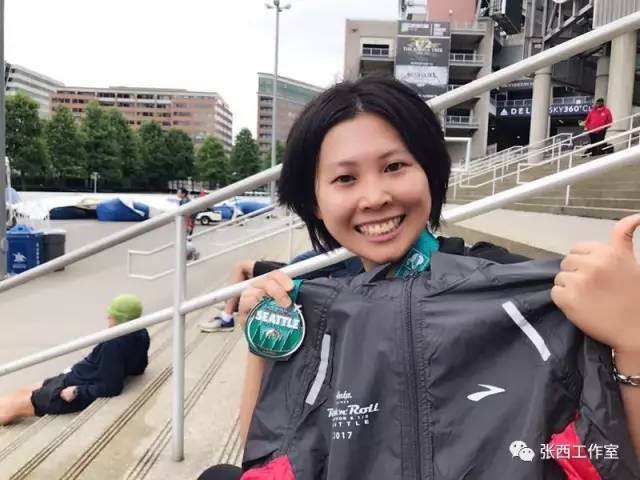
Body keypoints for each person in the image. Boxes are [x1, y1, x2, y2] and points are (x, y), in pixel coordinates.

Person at [199, 77, 640, 480]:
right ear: (315, 201)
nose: (375, 197)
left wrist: (632, 337)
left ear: (429, 171)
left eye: (394, 167)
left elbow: (607, 457)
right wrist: (265, 339)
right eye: (345, 178)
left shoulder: (520, 291)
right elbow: (270, 461)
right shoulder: (310, 299)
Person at [0, 294, 150, 425]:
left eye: (111, 316)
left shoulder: (114, 343)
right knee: (22, 391)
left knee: (9, 409)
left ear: (120, 319)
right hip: (75, 375)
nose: (108, 318)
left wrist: (78, 391)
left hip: (71, 390)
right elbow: (139, 367)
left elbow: (111, 387)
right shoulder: (141, 332)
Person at [198, 251, 365, 333]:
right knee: (245, 275)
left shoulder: (351, 250)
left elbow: (345, 276)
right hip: (294, 268)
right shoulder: (345, 245)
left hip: (294, 273)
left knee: (241, 267)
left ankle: (226, 318)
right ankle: (231, 304)